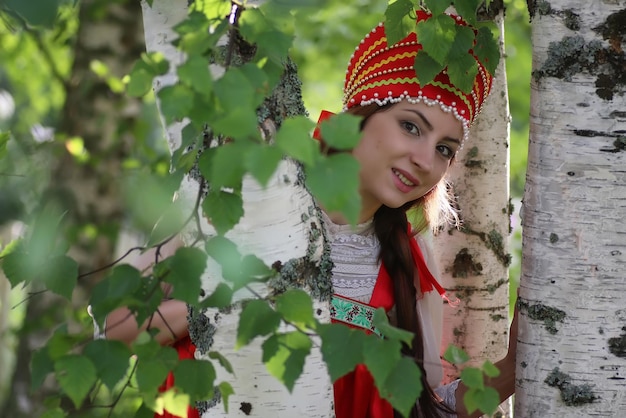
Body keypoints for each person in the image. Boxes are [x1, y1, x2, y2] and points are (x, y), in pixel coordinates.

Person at [99, 9, 516, 418]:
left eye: (445, 149)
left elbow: (427, 408)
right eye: (411, 126)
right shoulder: (244, 196)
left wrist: (514, 367)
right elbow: (115, 326)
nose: (426, 159)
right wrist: (235, 305)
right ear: (359, 118)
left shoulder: (406, 264)